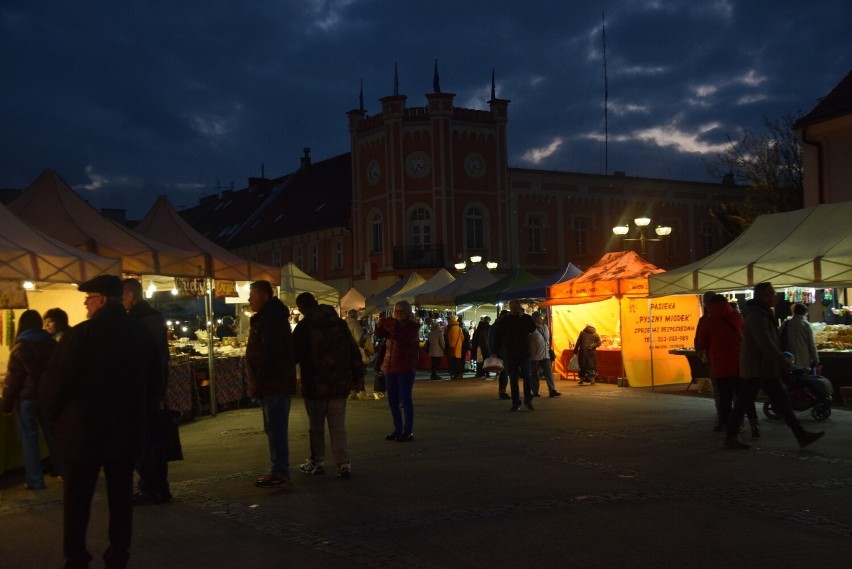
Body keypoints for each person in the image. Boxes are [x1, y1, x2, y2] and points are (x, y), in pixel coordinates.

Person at [43, 275, 161, 569]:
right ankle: (118, 555)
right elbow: (156, 383)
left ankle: (76, 557)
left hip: (83, 433)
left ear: (102, 300)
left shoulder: (79, 335)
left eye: (89, 298)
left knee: (77, 500)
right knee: (121, 500)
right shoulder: (141, 334)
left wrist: (54, 418)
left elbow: (57, 383)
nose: (85, 304)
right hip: (125, 431)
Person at [724, 282, 824, 450]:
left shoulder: (762, 313)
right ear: (763, 296)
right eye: (771, 293)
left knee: (783, 402)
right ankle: (730, 436)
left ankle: (801, 435)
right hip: (756, 367)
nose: (775, 296)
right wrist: (783, 362)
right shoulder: (757, 316)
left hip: (765, 368)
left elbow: (769, 342)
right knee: (744, 402)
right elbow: (765, 343)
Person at [293, 292, 364, 478]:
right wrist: (358, 378)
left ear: (301, 308)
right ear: (316, 303)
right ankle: (343, 464)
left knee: (316, 425)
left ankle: (317, 461)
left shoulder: (304, 327)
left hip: (315, 384)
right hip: (339, 383)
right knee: (338, 425)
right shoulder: (339, 324)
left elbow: (294, 355)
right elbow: (353, 351)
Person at [121, 278, 175, 505]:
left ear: (131, 296)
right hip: (151, 390)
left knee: (146, 443)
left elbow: (149, 359)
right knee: (153, 442)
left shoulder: (140, 321)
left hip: (144, 391)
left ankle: (151, 487)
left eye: (122, 295)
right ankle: (158, 487)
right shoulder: (152, 318)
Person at [245, 280, 297, 487]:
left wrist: (261, 377)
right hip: (272, 382)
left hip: (274, 383)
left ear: (265, 295)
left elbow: (271, 353)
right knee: (273, 427)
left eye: (253, 295)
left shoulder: (271, 319)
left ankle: (280, 471)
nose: (249, 299)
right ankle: (279, 469)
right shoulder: (269, 317)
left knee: (276, 428)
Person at [2, 310, 61, 489]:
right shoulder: (51, 344)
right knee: (53, 436)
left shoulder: (20, 348)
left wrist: (6, 404)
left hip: (26, 399)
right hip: (47, 397)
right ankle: (65, 472)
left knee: (29, 439)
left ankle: (35, 481)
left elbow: (13, 382)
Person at [695, 294, 759, 437]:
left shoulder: (708, 321)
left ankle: (730, 427)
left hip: (719, 364)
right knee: (743, 395)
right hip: (739, 363)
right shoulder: (736, 316)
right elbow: (744, 334)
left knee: (725, 397)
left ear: (708, 304)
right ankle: (754, 426)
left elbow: (702, 342)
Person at [375, 300, 419, 441]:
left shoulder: (413, 327)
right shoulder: (391, 324)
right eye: (397, 311)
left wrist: (391, 329)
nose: (398, 314)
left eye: (401, 311)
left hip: (405, 367)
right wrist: (379, 325)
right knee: (392, 400)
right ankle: (398, 429)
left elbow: (406, 340)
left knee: (405, 400)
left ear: (407, 313)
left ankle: (408, 431)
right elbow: (379, 335)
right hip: (390, 366)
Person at [493, 300, 536, 411]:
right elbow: (498, 335)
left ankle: (528, 400)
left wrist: (522, 317)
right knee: (513, 379)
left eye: (515, 307)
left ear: (519, 307)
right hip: (511, 354)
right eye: (511, 307)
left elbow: (532, 328)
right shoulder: (506, 320)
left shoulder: (526, 318)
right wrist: (494, 351)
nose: (513, 309)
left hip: (524, 353)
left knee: (527, 377)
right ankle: (516, 402)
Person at [780, 303, 819, 372]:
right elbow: (812, 344)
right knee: (803, 376)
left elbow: (778, 335)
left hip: (789, 355)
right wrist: (816, 360)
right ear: (805, 312)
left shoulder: (786, 323)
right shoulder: (806, 324)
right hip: (804, 356)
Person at [530, 311, 560, 398]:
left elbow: (547, 339)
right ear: (534, 319)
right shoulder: (531, 328)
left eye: (541, 318)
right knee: (534, 374)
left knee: (548, 372)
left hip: (545, 354)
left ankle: (552, 390)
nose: (541, 319)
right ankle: (535, 391)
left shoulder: (545, 327)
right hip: (534, 355)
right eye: (539, 318)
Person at [489, 310, 511, 399]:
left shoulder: (497, 325)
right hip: (501, 352)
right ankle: (502, 391)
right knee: (504, 372)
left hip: (503, 351)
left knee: (504, 372)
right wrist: (493, 352)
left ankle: (502, 391)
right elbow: (491, 340)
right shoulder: (497, 326)